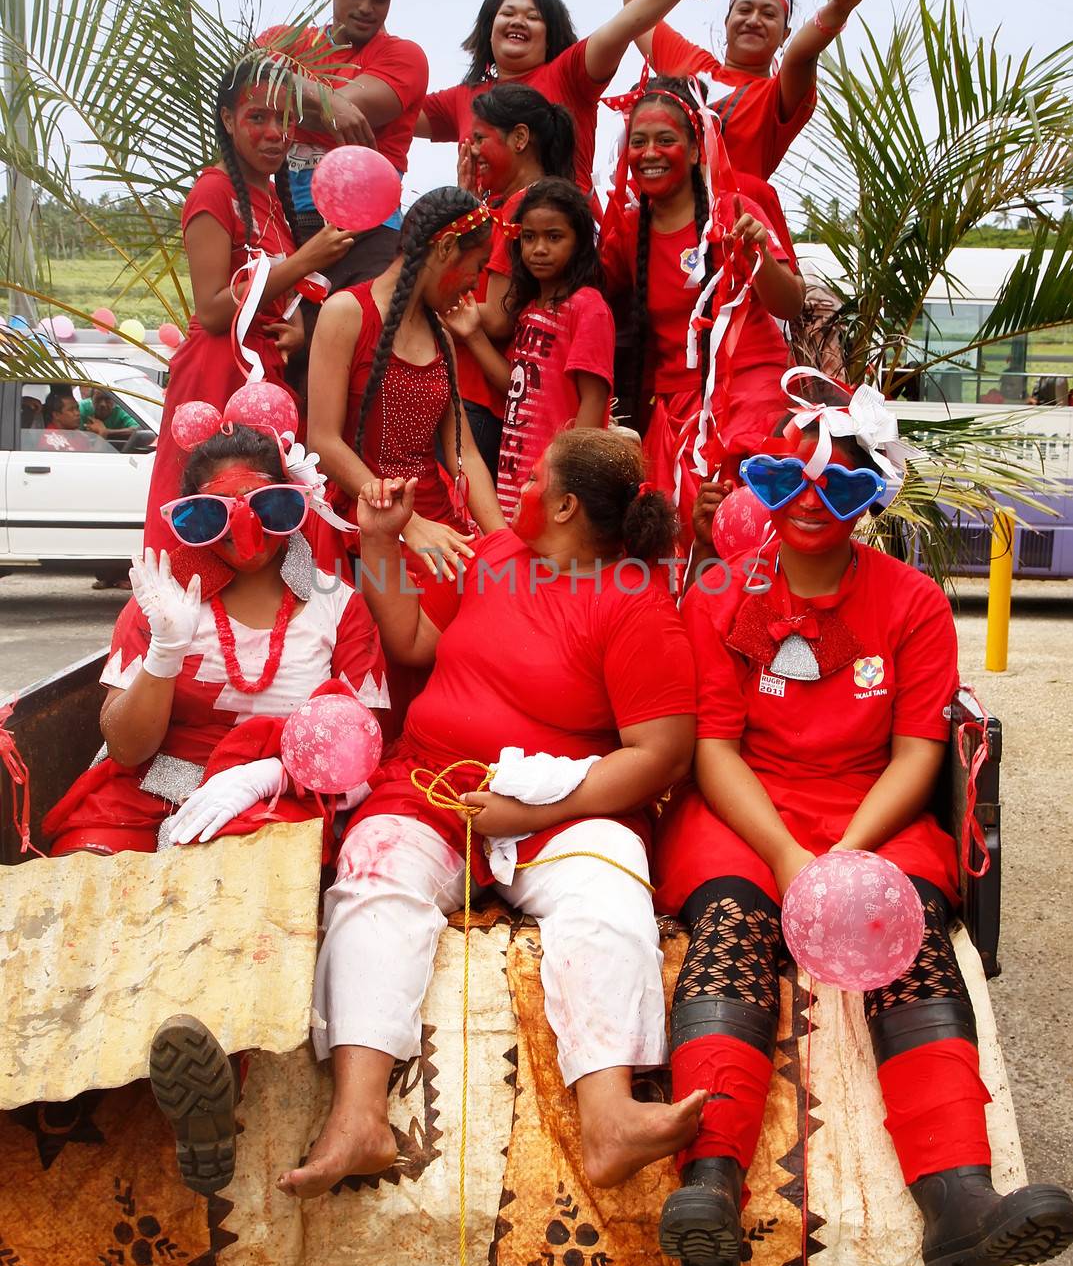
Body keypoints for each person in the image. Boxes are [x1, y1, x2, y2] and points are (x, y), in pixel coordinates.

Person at [652, 379, 1073, 1266]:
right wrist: (788, 860)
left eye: (839, 484)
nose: (810, 503)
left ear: (872, 494)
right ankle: (711, 1180)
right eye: (789, 480)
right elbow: (715, 752)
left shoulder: (912, 601)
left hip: (871, 813)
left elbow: (919, 749)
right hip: (745, 814)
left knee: (911, 942)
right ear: (761, 484)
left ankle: (959, 1205)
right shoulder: (718, 595)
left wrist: (847, 853)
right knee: (732, 930)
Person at [277, 428, 703, 1199]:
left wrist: (532, 807)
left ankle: (611, 1119)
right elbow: (409, 637)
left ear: (565, 505)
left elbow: (660, 755)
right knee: (371, 875)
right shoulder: (497, 557)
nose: (521, 486)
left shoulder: (634, 599)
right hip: (432, 785)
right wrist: (378, 541)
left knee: (610, 891)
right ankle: (359, 1118)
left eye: (535, 476)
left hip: (567, 810)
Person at [42, 420, 387, 1195]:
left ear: (295, 503)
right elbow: (125, 750)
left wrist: (265, 773)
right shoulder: (164, 600)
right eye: (212, 513)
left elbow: (363, 757)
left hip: (281, 799)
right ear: (190, 517)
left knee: (234, 898)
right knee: (85, 885)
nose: (244, 531)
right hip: (152, 782)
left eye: (267, 507)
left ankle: (208, 1088)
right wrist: (164, 653)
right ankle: (66, 1080)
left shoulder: (337, 609)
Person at [144, 58, 354, 551]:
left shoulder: (273, 198)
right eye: (257, 117)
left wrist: (297, 327)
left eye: (284, 119)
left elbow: (271, 293)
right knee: (203, 515)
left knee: (261, 520)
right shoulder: (213, 192)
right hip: (216, 374)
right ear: (227, 120)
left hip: (261, 374)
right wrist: (305, 261)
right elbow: (215, 310)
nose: (275, 132)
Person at [600, 76, 803, 547]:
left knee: (741, 542)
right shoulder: (629, 230)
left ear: (695, 150)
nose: (650, 152)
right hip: (671, 419)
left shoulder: (734, 209)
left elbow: (790, 304)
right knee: (669, 552)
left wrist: (758, 255)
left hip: (749, 407)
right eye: (639, 141)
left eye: (666, 139)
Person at [415, 0, 747, 195]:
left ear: (550, 36)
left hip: (562, 249)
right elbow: (394, 110)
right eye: (508, 13)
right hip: (481, 249)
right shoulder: (461, 98)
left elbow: (629, 21)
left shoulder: (570, 73)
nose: (518, 21)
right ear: (489, 29)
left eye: (533, 17)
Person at [623, 0, 880, 197]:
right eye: (744, 10)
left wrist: (837, 9)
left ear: (785, 34)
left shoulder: (777, 96)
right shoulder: (691, 64)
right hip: (659, 231)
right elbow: (636, 11)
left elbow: (801, 55)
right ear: (727, 21)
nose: (754, 20)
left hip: (733, 234)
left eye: (769, 14)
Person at [307, 187, 507, 584]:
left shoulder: (443, 337)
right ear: (447, 247)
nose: (473, 285)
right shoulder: (346, 312)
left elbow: (464, 452)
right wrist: (408, 524)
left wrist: (503, 542)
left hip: (436, 523)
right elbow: (323, 441)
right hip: (364, 520)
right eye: (478, 267)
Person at [259, 0, 429, 289]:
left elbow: (345, 109)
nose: (368, 7)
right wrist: (329, 100)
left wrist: (291, 90)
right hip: (285, 227)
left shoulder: (405, 56)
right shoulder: (283, 39)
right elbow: (248, 83)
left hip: (368, 236)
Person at [446, 177, 615, 519]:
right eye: (529, 237)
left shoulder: (588, 308)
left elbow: (594, 402)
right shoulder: (529, 310)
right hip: (516, 478)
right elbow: (515, 385)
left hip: (558, 484)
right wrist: (473, 335)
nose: (539, 248)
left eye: (554, 237)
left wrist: (571, 478)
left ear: (580, 242)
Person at [445, 85, 577, 473]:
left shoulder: (525, 207)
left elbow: (501, 315)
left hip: (479, 399)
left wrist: (428, 308)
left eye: (480, 138)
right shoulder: (506, 204)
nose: (470, 150)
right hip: (478, 397)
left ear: (520, 138)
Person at [33, 386, 111, 452]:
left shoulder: (79, 435)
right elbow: (87, 465)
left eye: (77, 408)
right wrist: (102, 434)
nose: (77, 413)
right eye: (71, 410)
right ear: (56, 415)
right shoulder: (52, 440)